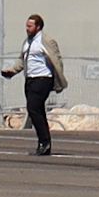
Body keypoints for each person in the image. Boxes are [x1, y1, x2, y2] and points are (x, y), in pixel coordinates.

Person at [9, 13, 62, 154]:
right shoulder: (27, 42)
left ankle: (45, 142)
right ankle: (43, 143)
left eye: (30, 26)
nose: (27, 28)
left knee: (33, 108)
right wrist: (12, 71)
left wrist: (58, 80)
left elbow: (57, 60)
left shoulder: (47, 41)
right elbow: (22, 60)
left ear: (38, 27)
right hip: (30, 79)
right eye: (26, 25)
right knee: (38, 111)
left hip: (43, 79)